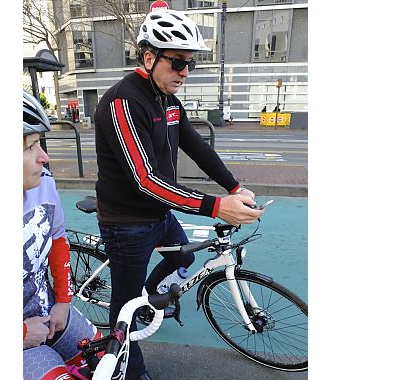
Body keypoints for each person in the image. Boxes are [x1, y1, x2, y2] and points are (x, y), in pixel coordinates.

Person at [93, 9, 264, 380]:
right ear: (149, 57)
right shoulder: (123, 102)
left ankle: (151, 295)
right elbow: (146, 180)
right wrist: (217, 206)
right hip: (126, 222)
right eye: (178, 62)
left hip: (160, 214)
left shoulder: (167, 99)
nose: (185, 72)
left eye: (190, 64)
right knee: (124, 311)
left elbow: (195, 145)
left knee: (180, 259)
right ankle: (130, 371)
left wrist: (233, 186)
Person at [23, 90, 101, 380]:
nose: (44, 157)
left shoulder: (43, 183)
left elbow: (57, 239)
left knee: (106, 360)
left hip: (47, 311)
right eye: (31, 146)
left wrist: (64, 300)